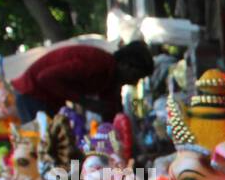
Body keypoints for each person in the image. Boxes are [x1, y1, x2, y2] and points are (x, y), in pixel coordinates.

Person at [11, 40, 153, 120]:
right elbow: (45, 78)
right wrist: (86, 102)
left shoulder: (110, 79)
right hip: (32, 94)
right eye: (136, 76)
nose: (134, 83)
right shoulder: (96, 63)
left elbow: (111, 109)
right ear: (125, 65)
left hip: (46, 99)